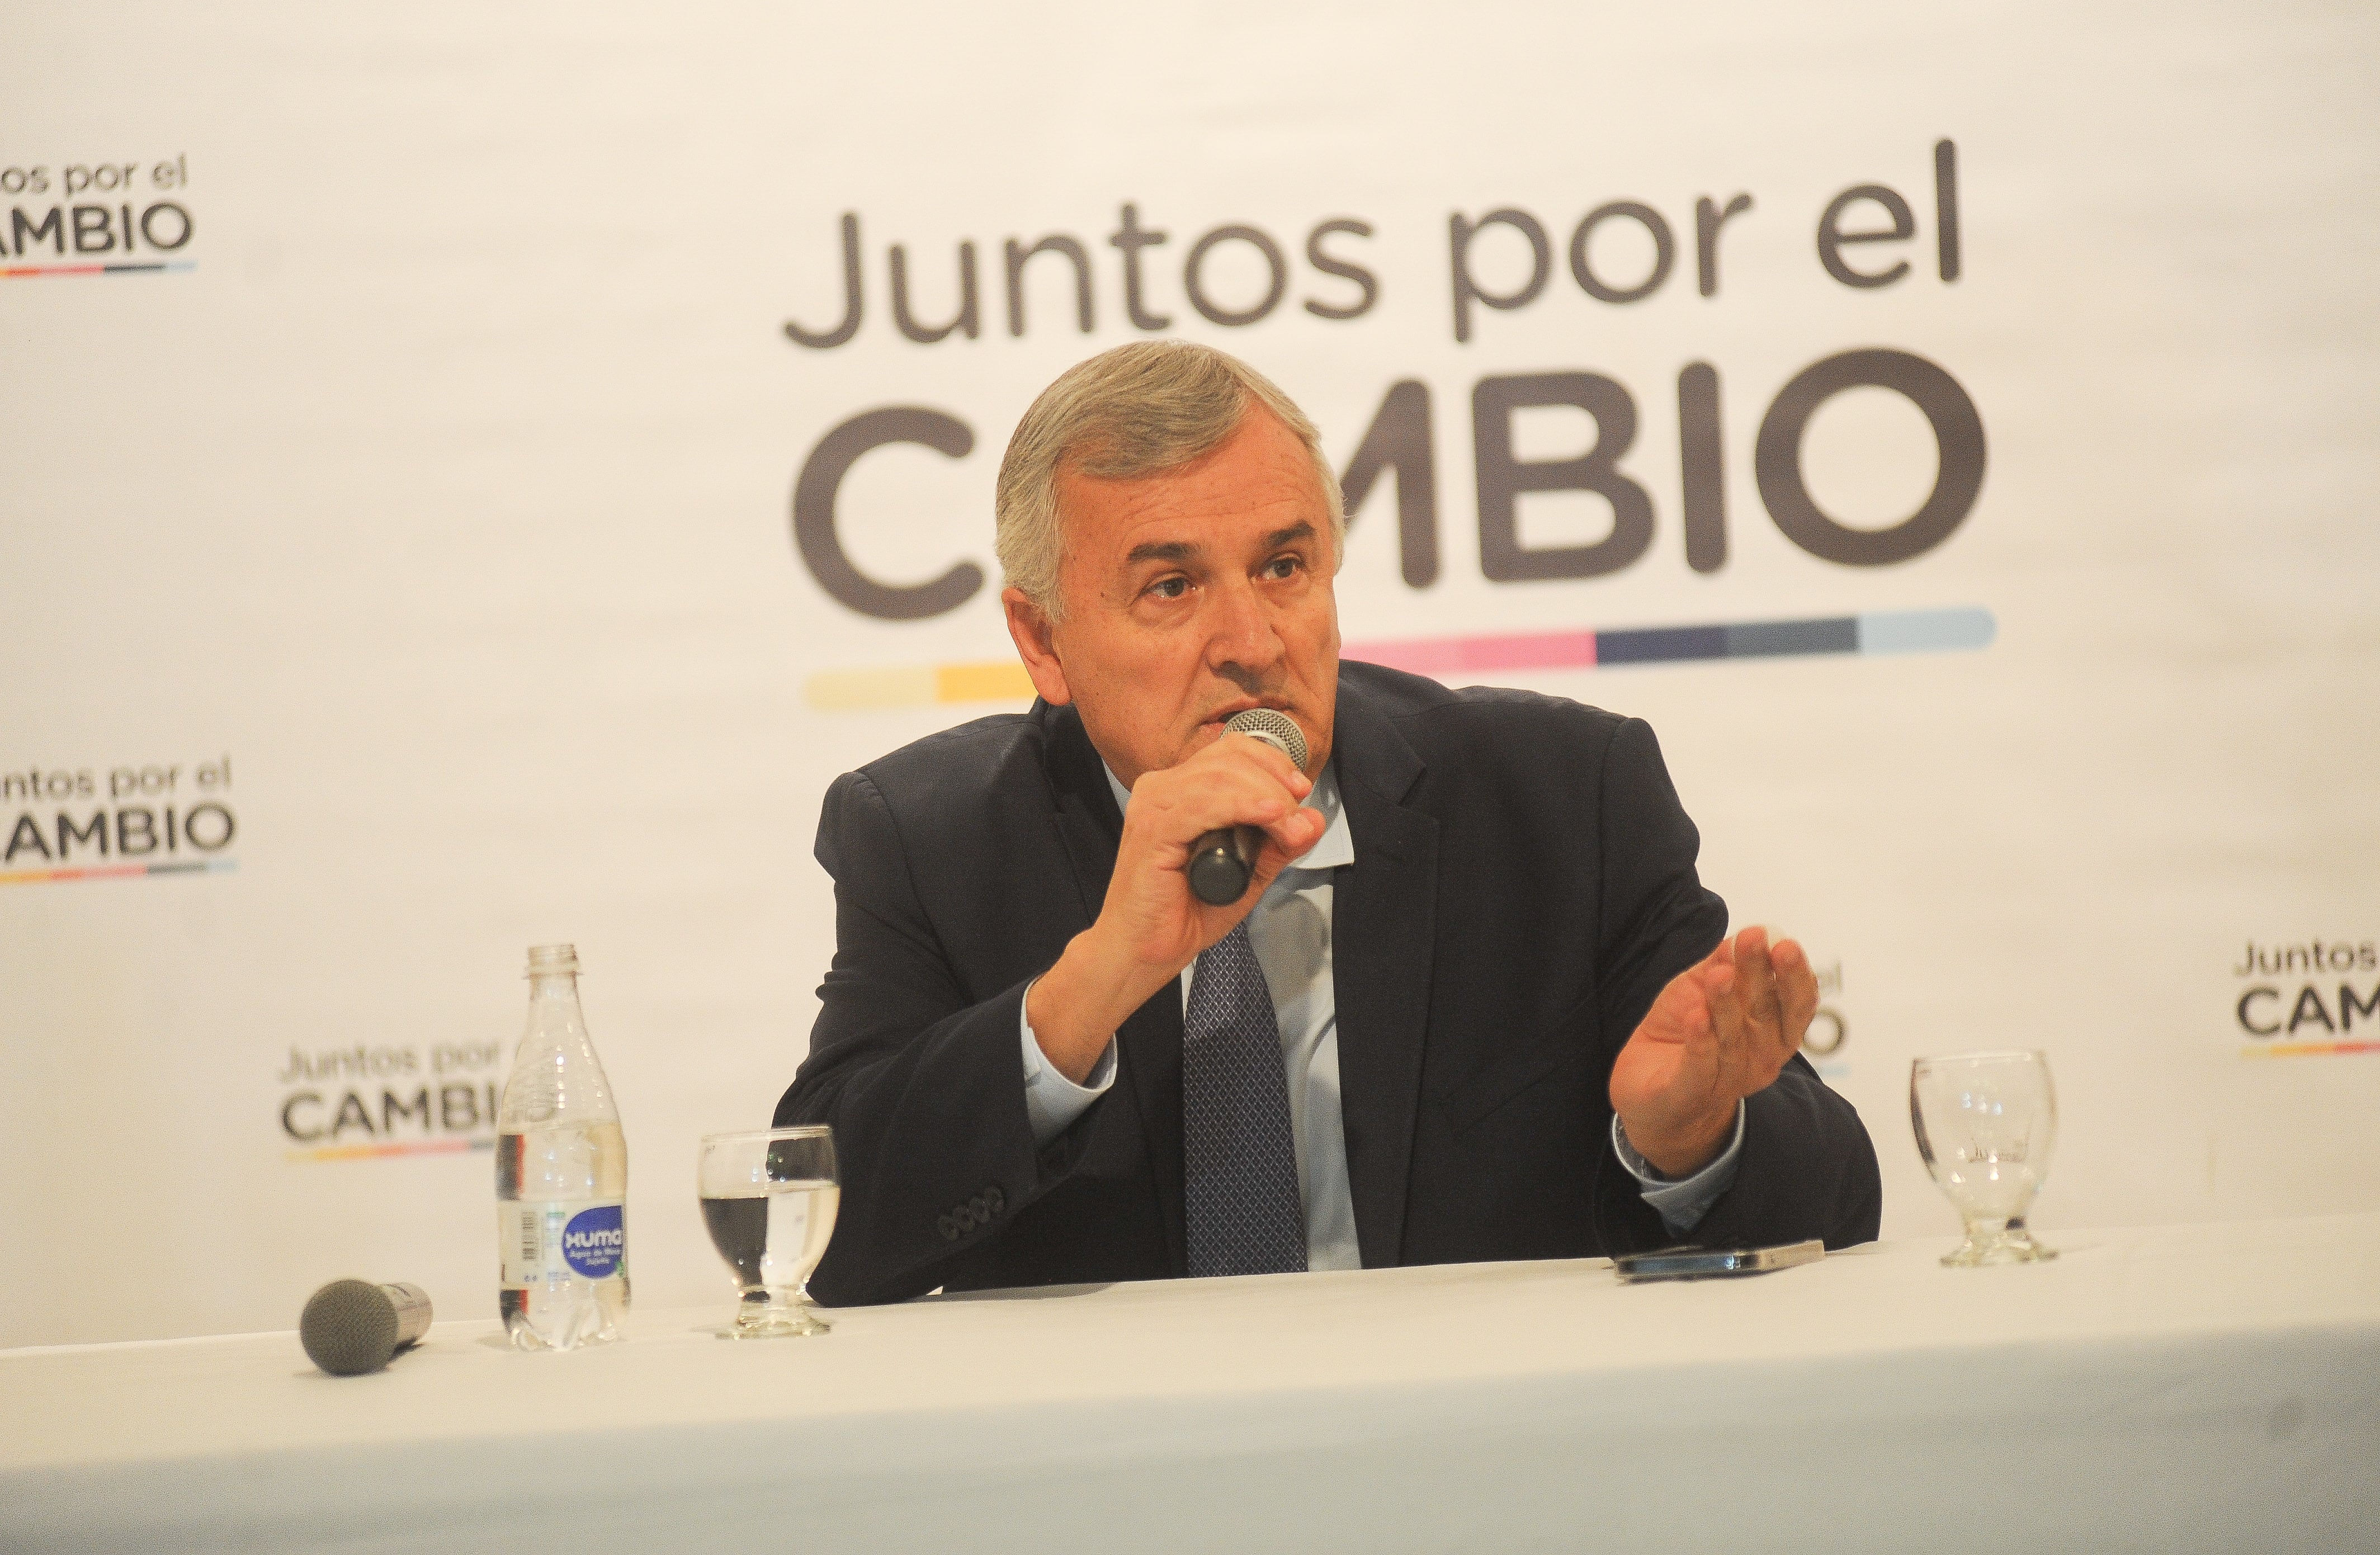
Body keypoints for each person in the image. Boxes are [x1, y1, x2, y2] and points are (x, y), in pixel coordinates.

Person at [777, 341, 1880, 1305]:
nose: (1252, 639)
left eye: (1284, 567)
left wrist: (1688, 1140)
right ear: (1043, 641)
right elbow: (816, 1235)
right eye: (1171, 587)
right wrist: (1091, 988)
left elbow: (1838, 1205)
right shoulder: (931, 840)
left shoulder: (1560, 799)